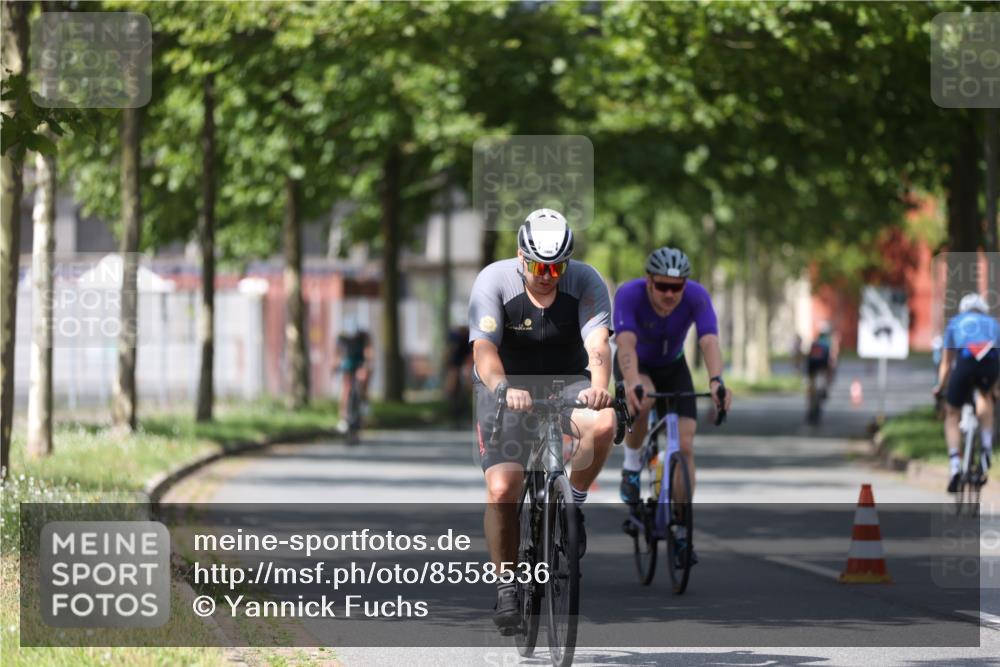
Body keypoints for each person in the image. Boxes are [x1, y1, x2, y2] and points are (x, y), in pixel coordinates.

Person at [468, 208, 616, 631]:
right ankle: (507, 587)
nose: (548, 274)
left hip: (568, 381)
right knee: (502, 489)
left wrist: (600, 385)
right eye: (538, 265)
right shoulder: (493, 281)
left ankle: (575, 504)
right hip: (506, 386)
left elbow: (598, 344)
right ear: (520, 256)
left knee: (603, 423)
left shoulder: (586, 281)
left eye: (557, 265)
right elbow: (483, 352)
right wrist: (502, 388)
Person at [613, 246, 731, 566]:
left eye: (676, 287)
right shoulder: (629, 294)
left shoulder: (696, 296)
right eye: (662, 286)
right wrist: (632, 381)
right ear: (648, 282)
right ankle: (633, 464)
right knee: (644, 397)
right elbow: (625, 342)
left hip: (674, 367)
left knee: (686, 445)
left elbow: (708, 339)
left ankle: (679, 527)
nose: (669, 294)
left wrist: (716, 380)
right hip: (636, 365)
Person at [932, 293, 999, 492]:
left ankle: (954, 465)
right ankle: (986, 449)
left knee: (952, 412)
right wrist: (995, 389)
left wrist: (940, 387)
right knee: (986, 398)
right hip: (990, 364)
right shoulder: (994, 324)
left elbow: (946, 363)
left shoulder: (955, 323)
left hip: (966, 362)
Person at [333, 316, 373, 433]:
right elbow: (337, 354)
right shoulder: (341, 338)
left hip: (360, 363)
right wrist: (334, 367)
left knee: (363, 379)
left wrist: (366, 366)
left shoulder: (363, 337)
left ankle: (364, 402)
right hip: (347, 365)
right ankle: (343, 418)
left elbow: (369, 352)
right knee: (346, 389)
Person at [805, 321, 839, 414]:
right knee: (828, 373)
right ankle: (825, 389)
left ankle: (810, 399)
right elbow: (832, 357)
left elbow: (809, 355)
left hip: (812, 363)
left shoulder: (815, 341)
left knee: (811, 382)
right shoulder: (829, 341)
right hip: (823, 362)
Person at [444, 325, 473, 426]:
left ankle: (466, 409)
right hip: (455, 363)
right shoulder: (453, 335)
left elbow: (471, 353)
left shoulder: (470, 334)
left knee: (467, 386)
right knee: (452, 387)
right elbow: (449, 351)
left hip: (465, 363)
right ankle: (454, 411)